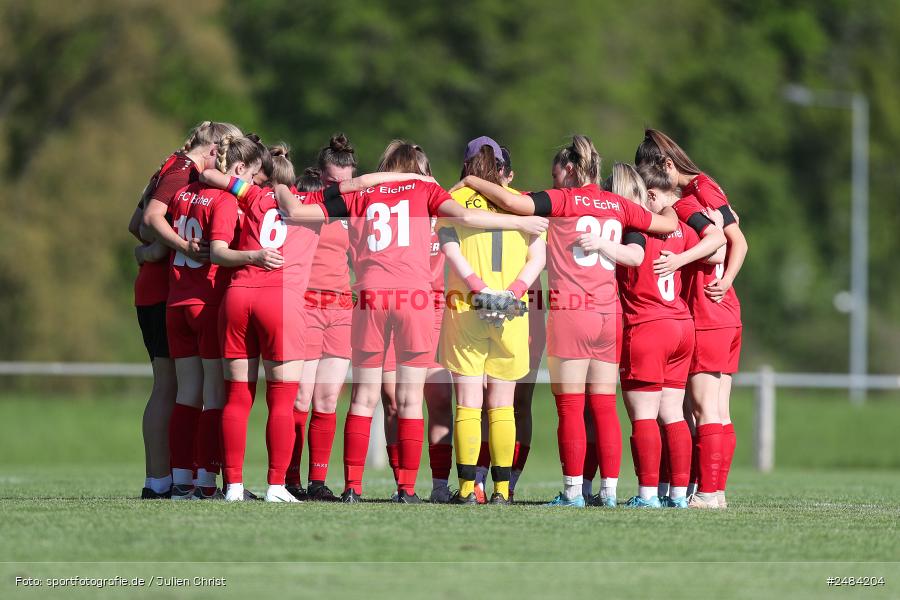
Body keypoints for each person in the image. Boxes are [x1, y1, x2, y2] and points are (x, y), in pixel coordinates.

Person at [275, 140, 548, 503]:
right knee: (409, 399)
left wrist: (275, 184)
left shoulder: (366, 191)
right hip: (414, 299)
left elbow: (298, 210)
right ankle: (407, 489)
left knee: (363, 398)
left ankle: (352, 488)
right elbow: (466, 216)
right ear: (418, 167)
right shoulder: (424, 187)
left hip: (370, 295)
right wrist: (519, 219)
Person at [454, 135, 678, 507]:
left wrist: (469, 182)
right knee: (605, 407)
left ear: (570, 169)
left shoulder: (564, 200)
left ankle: (574, 492)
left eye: (555, 172)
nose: (552, 179)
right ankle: (608, 492)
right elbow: (664, 224)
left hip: (572, 314)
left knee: (571, 407)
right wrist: (674, 202)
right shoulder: (618, 204)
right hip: (610, 315)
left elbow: (511, 201)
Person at [590, 164, 725, 508]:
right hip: (681, 324)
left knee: (644, 416)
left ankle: (648, 494)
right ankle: (678, 495)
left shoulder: (630, 227)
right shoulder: (677, 225)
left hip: (647, 325)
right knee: (674, 415)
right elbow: (718, 249)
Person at [635, 129, 748, 509]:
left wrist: (685, 261)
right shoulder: (696, 196)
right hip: (724, 309)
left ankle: (709, 492)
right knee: (715, 407)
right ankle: (716, 491)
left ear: (665, 167)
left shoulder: (692, 194)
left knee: (703, 408)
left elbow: (725, 243)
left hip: (709, 310)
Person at [129, 120, 241, 499]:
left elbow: (137, 226)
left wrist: (149, 250)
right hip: (168, 291)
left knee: (176, 387)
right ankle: (162, 481)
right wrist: (177, 246)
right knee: (171, 387)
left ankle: (171, 479)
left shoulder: (167, 166)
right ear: (214, 151)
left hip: (160, 290)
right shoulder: (183, 171)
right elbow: (148, 221)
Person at [166, 135, 279, 500]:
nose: (257, 183)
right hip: (208, 301)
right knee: (215, 395)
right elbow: (218, 252)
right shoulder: (225, 199)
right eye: (256, 175)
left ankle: (180, 479)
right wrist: (253, 256)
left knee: (186, 394)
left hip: (176, 302)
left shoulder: (183, 193)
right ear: (240, 169)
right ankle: (204, 481)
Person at [439, 136, 546, 505]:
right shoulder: (521, 203)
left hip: (467, 306)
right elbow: (538, 258)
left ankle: (468, 489)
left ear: (467, 166)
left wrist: (478, 287)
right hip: (511, 311)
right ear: (501, 167)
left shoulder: (455, 198)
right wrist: (513, 293)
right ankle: (502, 491)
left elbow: (450, 248)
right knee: (502, 404)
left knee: (468, 401)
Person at [286, 135, 358, 502]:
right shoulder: (306, 199)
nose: (339, 189)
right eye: (334, 183)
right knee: (301, 397)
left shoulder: (354, 207)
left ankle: (317, 482)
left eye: (346, 182)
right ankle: (289, 480)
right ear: (320, 175)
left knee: (328, 398)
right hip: (307, 305)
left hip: (341, 307)